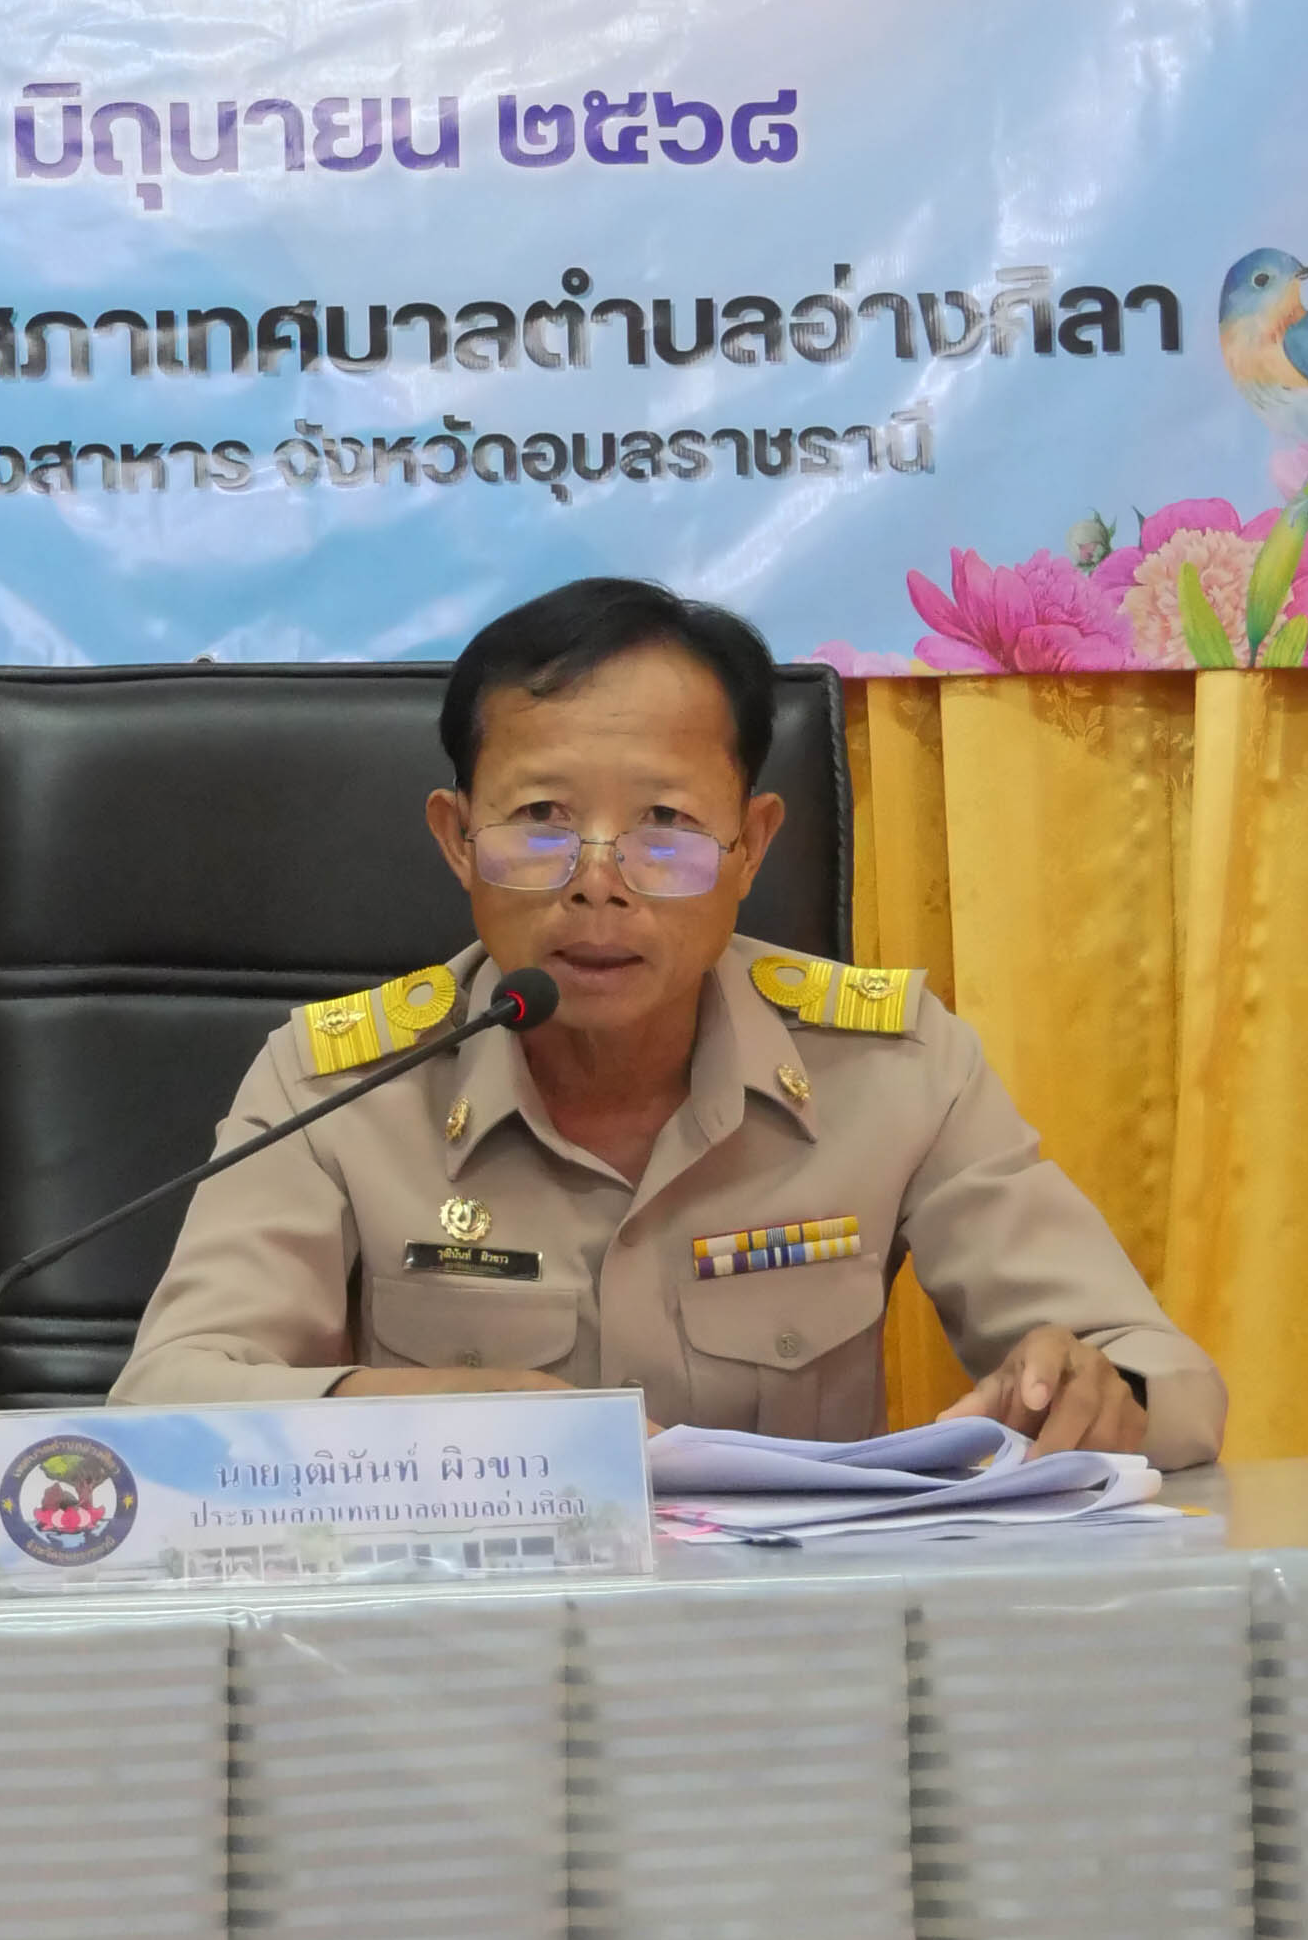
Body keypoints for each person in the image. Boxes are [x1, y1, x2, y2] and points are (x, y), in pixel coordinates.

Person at [114, 574, 1224, 1463]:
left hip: (786, 1643)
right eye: (541, 820)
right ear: (457, 839)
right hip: (461, 1638)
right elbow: (163, 1401)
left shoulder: (893, 1066)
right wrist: (437, 1415)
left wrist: (1100, 1391)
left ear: (751, 846)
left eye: (665, 826)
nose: (599, 884)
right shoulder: (335, 1084)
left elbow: (1166, 1381)